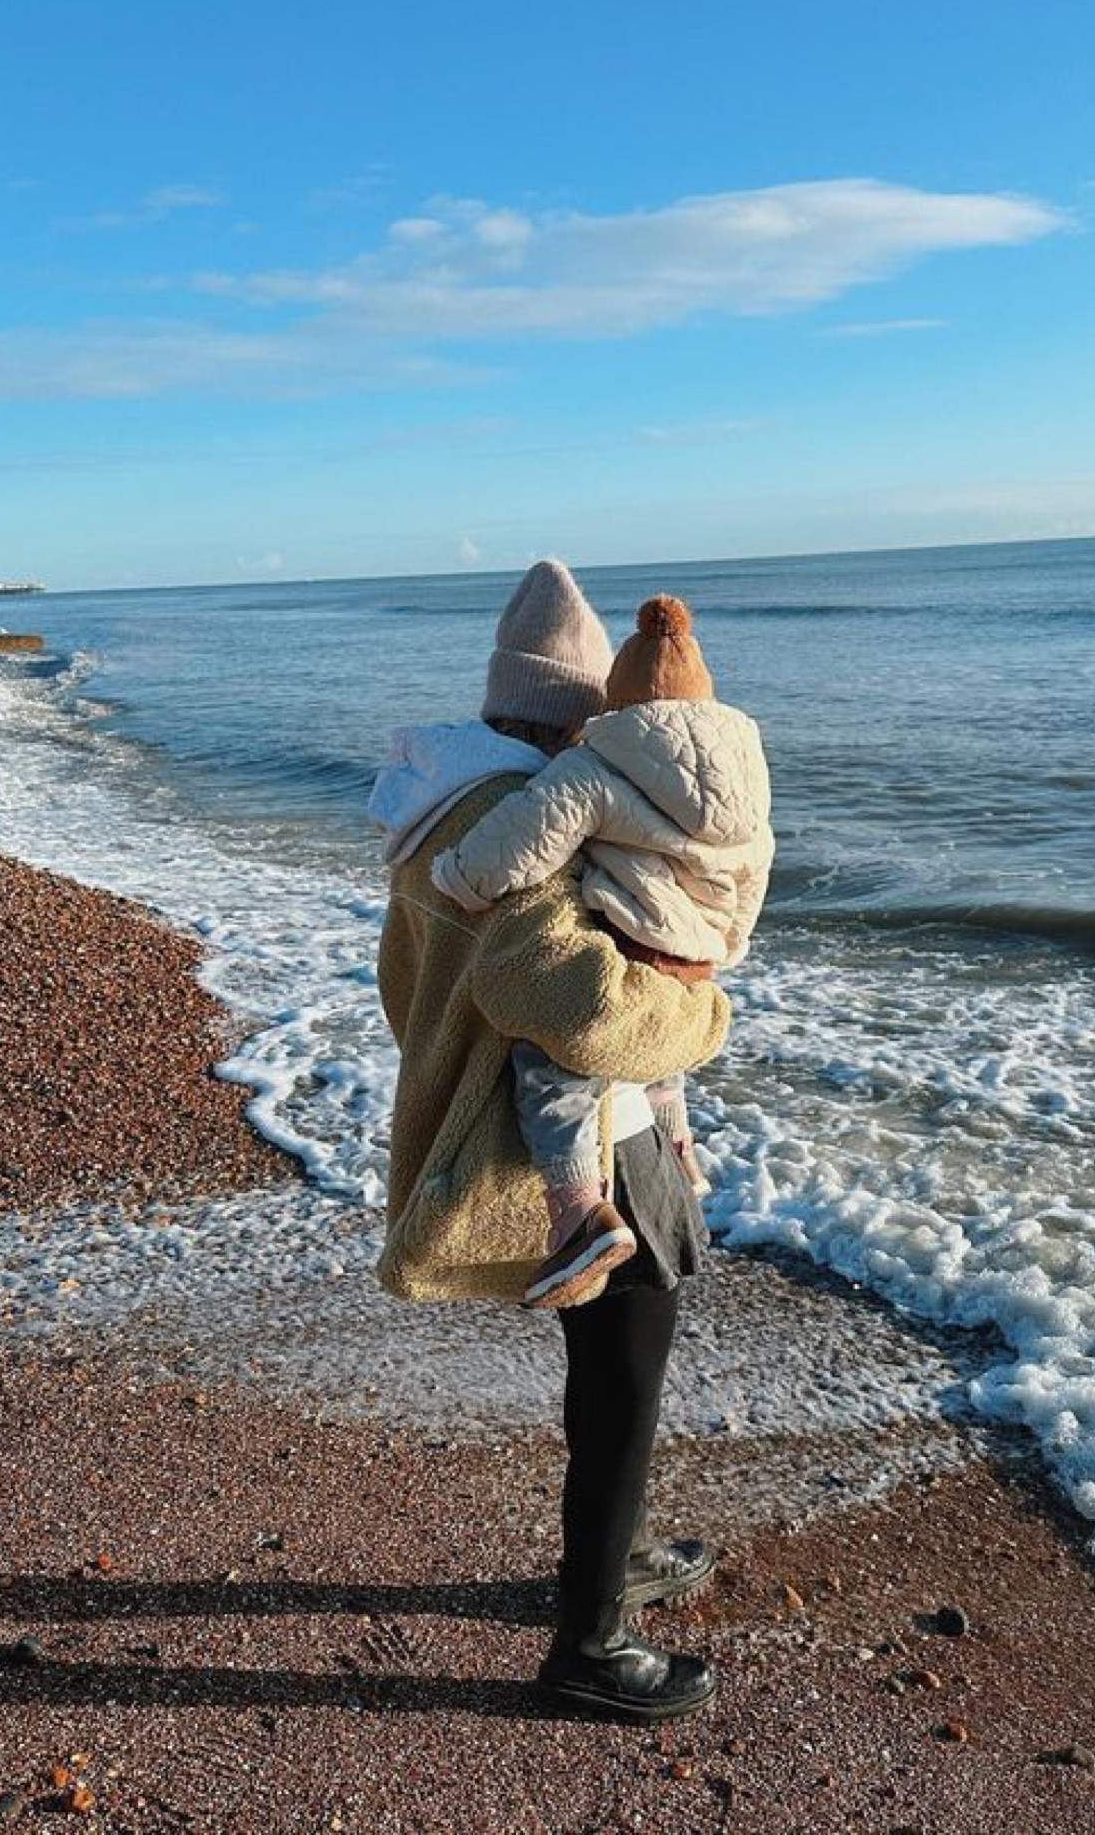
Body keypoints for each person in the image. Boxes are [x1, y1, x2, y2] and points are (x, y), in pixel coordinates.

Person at [367, 558, 732, 1720]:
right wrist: (704, 1010)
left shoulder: (440, 804)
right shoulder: (511, 812)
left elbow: (414, 978)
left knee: (602, 1369)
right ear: (576, 714)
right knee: (626, 1377)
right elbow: (556, 988)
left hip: (525, 1109)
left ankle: (601, 1563)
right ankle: (591, 1642)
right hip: (599, 1134)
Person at [430, 592, 773, 1309]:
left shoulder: (590, 768)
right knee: (663, 1051)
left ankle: (577, 1210)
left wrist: (457, 877)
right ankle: (682, 1147)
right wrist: (720, 947)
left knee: (553, 1071)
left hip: (628, 951)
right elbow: (755, 868)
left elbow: (521, 841)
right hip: (697, 954)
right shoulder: (748, 774)